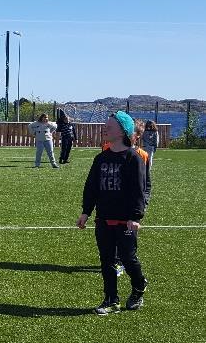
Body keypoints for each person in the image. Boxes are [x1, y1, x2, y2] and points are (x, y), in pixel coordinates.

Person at [76, 111, 148, 315]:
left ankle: (139, 285)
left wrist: (135, 217)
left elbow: (138, 190)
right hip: (103, 219)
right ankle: (111, 300)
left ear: (123, 131)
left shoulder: (133, 158)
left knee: (128, 258)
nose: (105, 128)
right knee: (107, 260)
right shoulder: (101, 158)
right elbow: (91, 187)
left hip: (126, 221)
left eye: (110, 125)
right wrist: (86, 212)